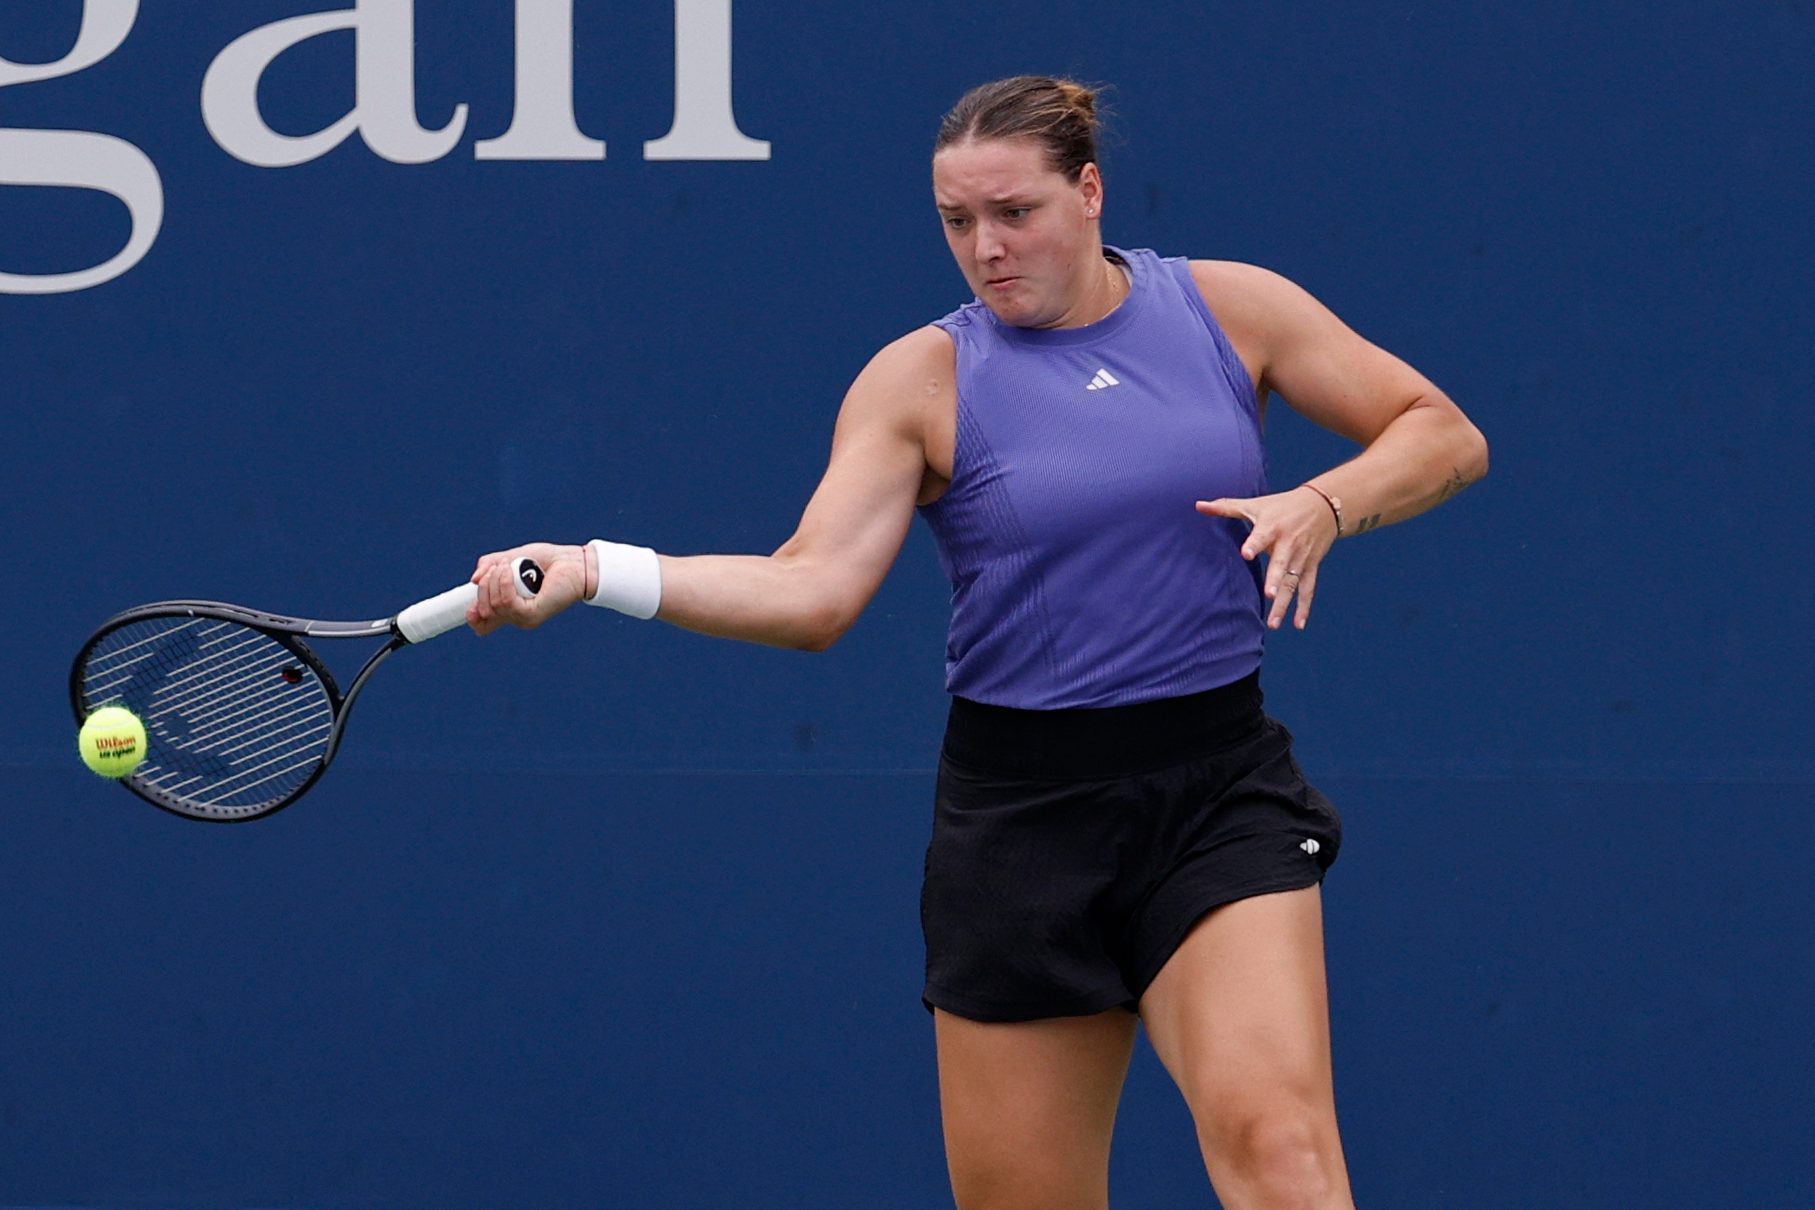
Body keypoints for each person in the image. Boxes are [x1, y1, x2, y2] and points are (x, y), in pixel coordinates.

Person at [467, 75, 1488, 1210]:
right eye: (958, 222)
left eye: (1016, 213)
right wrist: (599, 569)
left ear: (1090, 192)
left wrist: (1326, 502)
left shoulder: (1231, 309)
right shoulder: (922, 379)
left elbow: (1440, 431)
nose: (987, 248)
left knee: (1283, 1154)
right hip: (1021, 828)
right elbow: (812, 590)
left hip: (1216, 794)